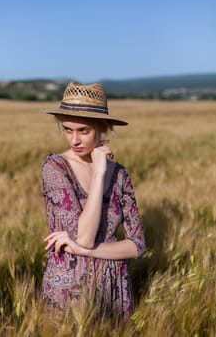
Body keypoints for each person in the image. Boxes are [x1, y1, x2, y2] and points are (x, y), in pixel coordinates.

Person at [42, 81, 145, 322]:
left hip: (115, 289)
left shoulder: (120, 174)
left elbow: (137, 246)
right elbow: (85, 237)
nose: (74, 140)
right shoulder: (56, 168)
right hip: (69, 287)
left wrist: (81, 249)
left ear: (103, 130)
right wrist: (99, 174)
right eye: (68, 129)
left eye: (84, 131)